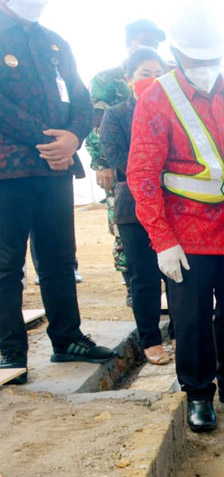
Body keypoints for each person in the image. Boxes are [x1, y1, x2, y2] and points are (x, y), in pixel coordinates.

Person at [127, 9, 224, 433]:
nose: (206, 69)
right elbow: (142, 174)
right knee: (191, 318)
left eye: (213, 59)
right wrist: (162, 240)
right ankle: (198, 394)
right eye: (196, 60)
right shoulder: (157, 97)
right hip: (187, 231)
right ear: (176, 54)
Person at [0, 0, 116, 385]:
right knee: (5, 264)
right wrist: (47, 141)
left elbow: (81, 98)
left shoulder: (55, 43)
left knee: (60, 259)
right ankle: (9, 351)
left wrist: (74, 138)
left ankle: (67, 339)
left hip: (57, 168)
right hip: (8, 169)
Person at [86, 18, 167, 305]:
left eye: (154, 41)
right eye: (142, 39)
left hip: (164, 173)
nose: (148, 44)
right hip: (120, 166)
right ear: (128, 40)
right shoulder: (106, 78)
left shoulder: (167, 74)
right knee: (125, 227)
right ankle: (133, 284)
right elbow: (96, 123)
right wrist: (101, 164)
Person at [100, 49, 173, 365]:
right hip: (134, 207)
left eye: (159, 73)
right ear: (128, 79)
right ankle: (150, 340)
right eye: (146, 73)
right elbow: (119, 158)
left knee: (178, 275)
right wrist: (155, 174)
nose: (153, 79)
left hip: (174, 205)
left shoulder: (174, 111)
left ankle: (183, 333)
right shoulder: (116, 115)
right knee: (144, 277)